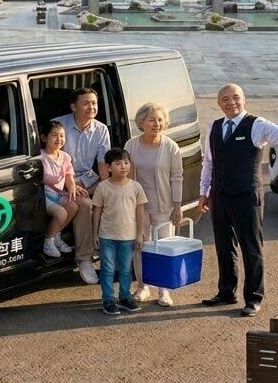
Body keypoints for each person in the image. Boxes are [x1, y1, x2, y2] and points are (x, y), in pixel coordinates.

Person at [198, 83, 278, 317]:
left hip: (246, 195)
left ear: (244, 99)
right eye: (225, 99)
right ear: (219, 104)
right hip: (220, 194)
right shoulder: (215, 127)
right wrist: (203, 191)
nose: (231, 102)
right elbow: (209, 162)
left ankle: (254, 297)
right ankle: (226, 291)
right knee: (224, 246)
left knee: (251, 247)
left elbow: (277, 135)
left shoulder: (256, 124)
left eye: (235, 97)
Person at [125, 102, 184, 307]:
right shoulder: (131, 145)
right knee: (140, 245)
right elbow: (126, 178)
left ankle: (163, 289)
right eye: (151, 119)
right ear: (141, 122)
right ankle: (142, 286)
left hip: (164, 205)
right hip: (138, 205)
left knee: (163, 247)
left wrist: (177, 206)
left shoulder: (171, 147)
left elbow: (177, 177)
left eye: (160, 119)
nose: (156, 123)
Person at [54, 87, 111, 285]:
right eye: (86, 103)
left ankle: (112, 257)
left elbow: (103, 164)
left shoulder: (101, 129)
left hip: (88, 181)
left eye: (94, 103)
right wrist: (69, 182)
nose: (91, 107)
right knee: (85, 205)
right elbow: (52, 158)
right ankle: (85, 258)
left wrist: (106, 190)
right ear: (73, 107)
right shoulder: (59, 124)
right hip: (62, 179)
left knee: (110, 199)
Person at [91, 148, 146, 315]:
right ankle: (108, 299)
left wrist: (139, 234)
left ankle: (125, 297)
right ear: (108, 168)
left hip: (128, 236)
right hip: (107, 236)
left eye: (126, 162)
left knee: (125, 269)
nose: (123, 166)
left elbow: (140, 211)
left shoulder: (136, 187)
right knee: (107, 269)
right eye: (118, 163)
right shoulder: (103, 187)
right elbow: (97, 212)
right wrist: (94, 234)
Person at [37, 120, 79, 258]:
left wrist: (72, 187)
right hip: (43, 195)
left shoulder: (65, 157)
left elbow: (68, 175)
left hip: (58, 193)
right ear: (44, 138)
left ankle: (56, 236)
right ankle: (48, 241)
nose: (59, 139)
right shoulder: (40, 157)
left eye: (62, 136)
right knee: (61, 213)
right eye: (54, 135)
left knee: (73, 207)